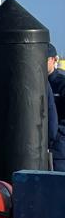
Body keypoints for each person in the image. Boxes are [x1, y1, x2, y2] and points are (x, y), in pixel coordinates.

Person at [48, 43, 65, 171]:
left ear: (54, 59)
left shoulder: (61, 84)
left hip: (59, 150)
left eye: (46, 59)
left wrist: (57, 134)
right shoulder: (36, 83)